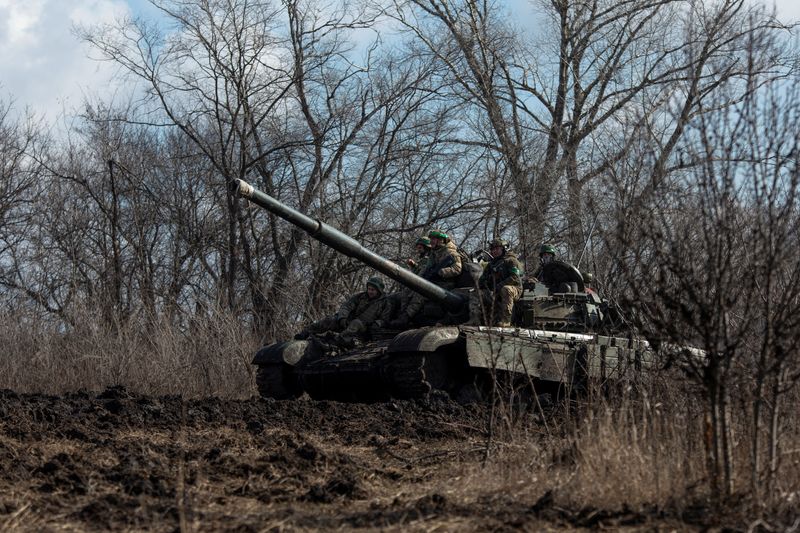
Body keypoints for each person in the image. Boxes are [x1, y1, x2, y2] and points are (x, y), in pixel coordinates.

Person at [298, 276, 389, 339]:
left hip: (364, 329)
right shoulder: (361, 297)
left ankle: (338, 340)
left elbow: (384, 319)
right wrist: (342, 318)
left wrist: (376, 324)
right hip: (349, 323)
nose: (370, 291)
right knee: (331, 320)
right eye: (369, 289)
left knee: (356, 323)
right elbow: (346, 306)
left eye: (373, 290)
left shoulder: (385, 302)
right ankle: (305, 333)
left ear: (379, 290)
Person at [466, 238, 523, 327]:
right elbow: (482, 279)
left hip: (514, 289)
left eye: (497, 249)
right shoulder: (491, 264)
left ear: (504, 249)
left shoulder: (511, 261)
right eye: (492, 249)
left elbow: (515, 277)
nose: (494, 251)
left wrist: (499, 286)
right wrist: (480, 285)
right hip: (494, 291)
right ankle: (474, 320)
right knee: (475, 293)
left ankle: (506, 320)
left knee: (506, 289)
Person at [388, 237, 431, 328]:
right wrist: (414, 266)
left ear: (426, 248)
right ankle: (401, 316)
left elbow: (423, 274)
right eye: (418, 248)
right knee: (404, 293)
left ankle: (406, 317)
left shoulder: (429, 259)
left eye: (420, 248)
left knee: (416, 296)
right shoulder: (424, 259)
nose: (418, 250)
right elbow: (419, 272)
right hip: (420, 283)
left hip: (428, 285)